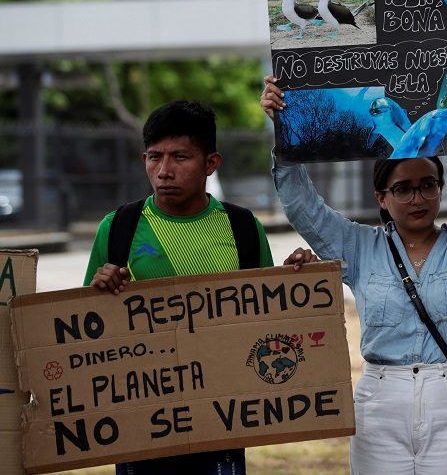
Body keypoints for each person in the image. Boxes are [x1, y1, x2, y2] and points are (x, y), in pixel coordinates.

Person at [261, 63, 447, 474]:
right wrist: (282, 126)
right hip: (379, 405)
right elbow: (304, 207)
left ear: (440, 189)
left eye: (428, 185)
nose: (417, 198)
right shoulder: (358, 246)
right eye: (403, 189)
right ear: (381, 197)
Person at [84, 100, 314, 475]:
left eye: (180, 157)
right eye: (154, 157)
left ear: (211, 164)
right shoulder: (118, 227)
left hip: (222, 424)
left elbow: (268, 325)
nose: (163, 171)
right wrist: (100, 288)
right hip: (142, 427)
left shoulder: (242, 228)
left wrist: (294, 281)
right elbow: (85, 331)